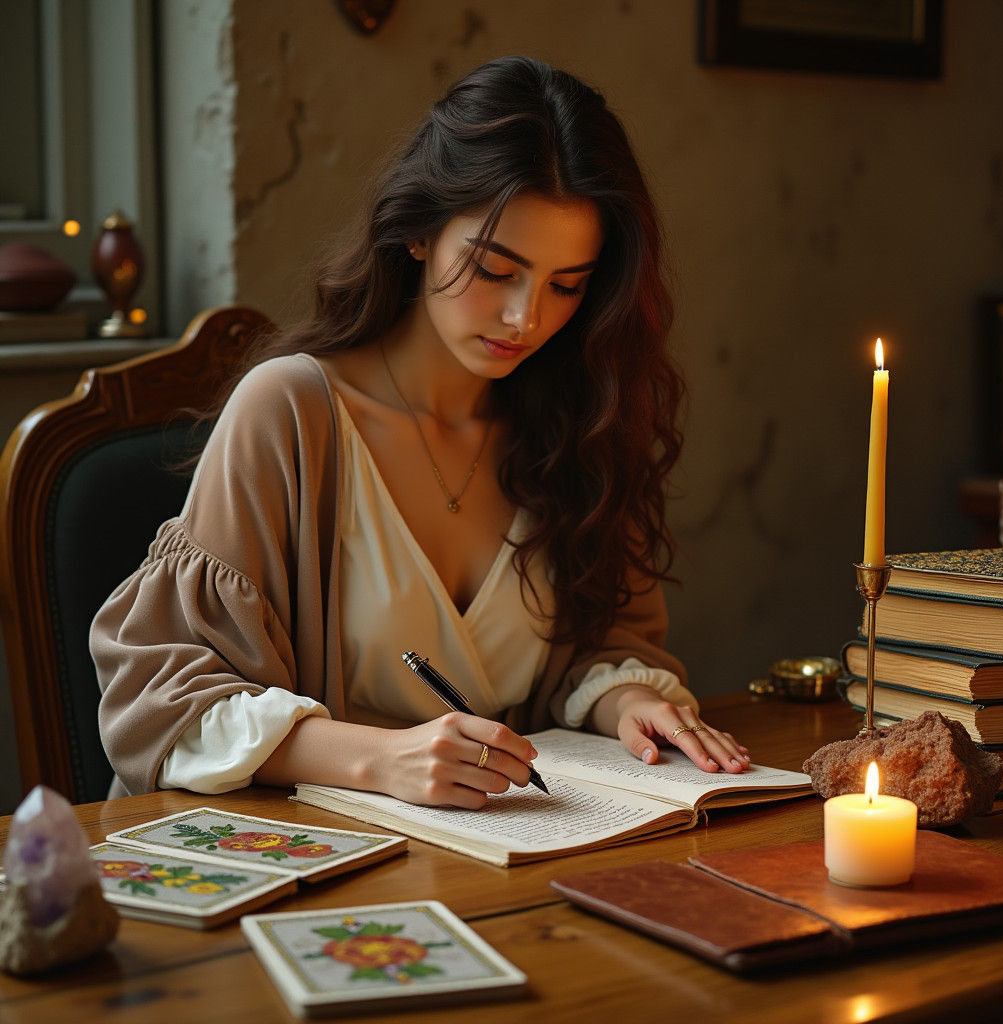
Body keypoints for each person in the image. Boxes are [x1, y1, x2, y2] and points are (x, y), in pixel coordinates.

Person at [91, 55, 749, 806]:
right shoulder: (292, 413)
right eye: (496, 269)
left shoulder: (578, 421)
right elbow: (159, 701)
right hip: (312, 866)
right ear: (418, 233)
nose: (525, 318)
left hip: (505, 854)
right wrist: (377, 759)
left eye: (567, 285)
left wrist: (626, 701)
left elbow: (606, 642)